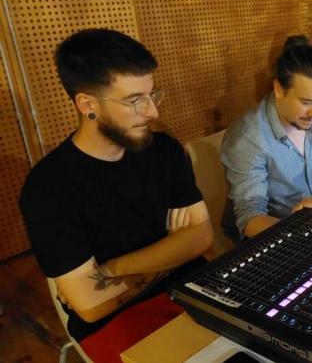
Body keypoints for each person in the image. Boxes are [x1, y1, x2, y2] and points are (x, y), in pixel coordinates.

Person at [19, 29, 214, 362]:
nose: (152, 111)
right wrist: (173, 249)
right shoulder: (46, 189)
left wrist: (112, 269)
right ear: (87, 105)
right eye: (135, 100)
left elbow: (202, 237)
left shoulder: (164, 150)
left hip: (196, 288)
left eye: (153, 95)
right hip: (117, 322)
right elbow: (91, 306)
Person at [221, 44, 312, 239]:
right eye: (306, 102)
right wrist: (295, 227)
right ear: (278, 89)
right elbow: (250, 219)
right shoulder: (248, 138)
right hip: (274, 230)